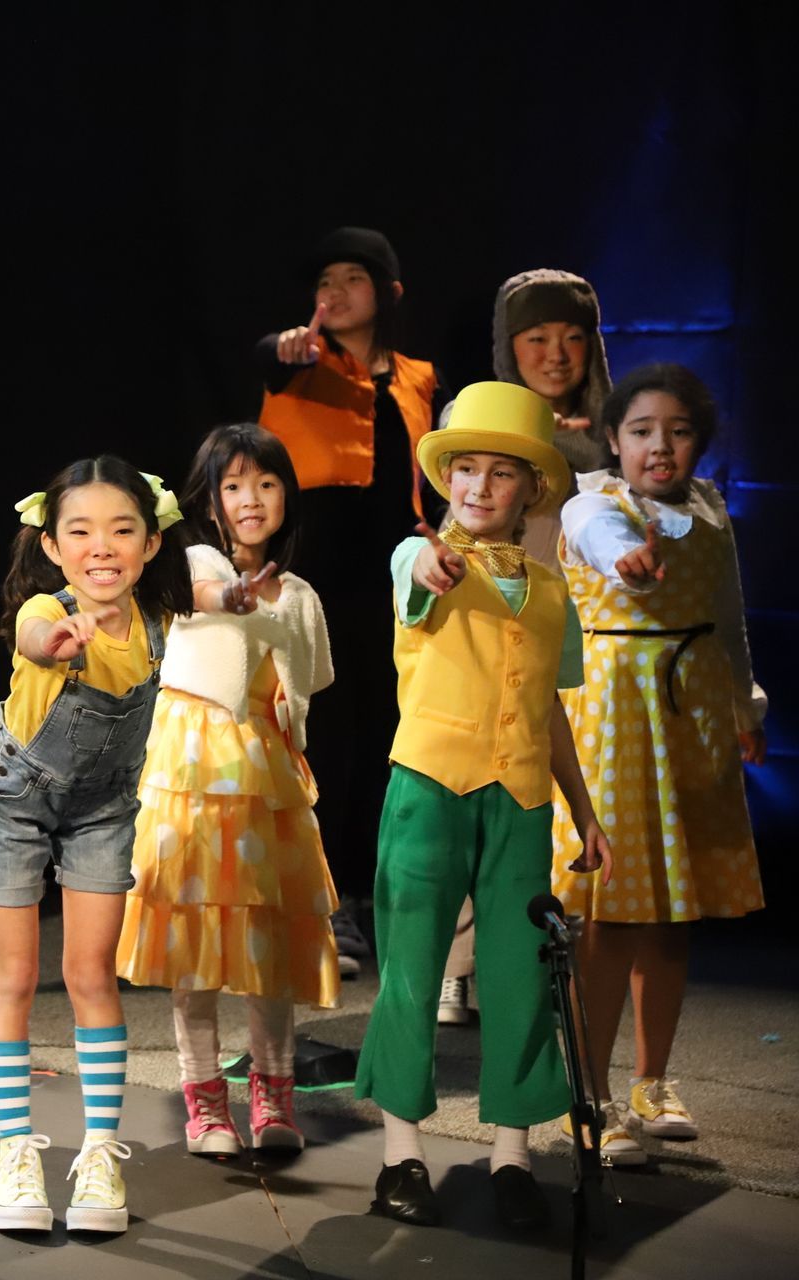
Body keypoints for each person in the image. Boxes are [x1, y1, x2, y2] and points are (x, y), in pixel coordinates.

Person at [354, 381, 611, 1233]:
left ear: (530, 489)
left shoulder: (549, 591)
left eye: (501, 474)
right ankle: (401, 1154)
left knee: (516, 977)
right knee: (413, 969)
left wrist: (586, 813)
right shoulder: (417, 556)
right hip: (428, 784)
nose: (479, 486)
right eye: (465, 469)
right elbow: (416, 574)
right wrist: (429, 560)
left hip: (522, 800)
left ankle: (512, 1155)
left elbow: (550, 712)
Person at [0, 456, 191, 1236]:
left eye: (123, 530)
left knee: (91, 973)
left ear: (151, 543)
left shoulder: (161, 630)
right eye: (82, 531)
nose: (103, 546)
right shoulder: (44, 608)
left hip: (103, 811)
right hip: (14, 803)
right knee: (16, 974)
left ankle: (100, 1155)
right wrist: (57, 640)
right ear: (55, 546)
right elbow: (34, 637)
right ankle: (16, 1154)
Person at [552, 364, 763, 1165]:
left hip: (691, 708)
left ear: (699, 443)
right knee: (614, 915)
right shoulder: (594, 505)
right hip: (618, 713)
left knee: (672, 914)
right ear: (613, 439)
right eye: (641, 431)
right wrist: (626, 563)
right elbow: (608, 547)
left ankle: (652, 1082)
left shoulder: (710, 514)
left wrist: (744, 704)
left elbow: (730, 616)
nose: (659, 446)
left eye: (676, 431)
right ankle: (592, 1098)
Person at [117, 424, 338, 1157]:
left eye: (266, 484)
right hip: (193, 774)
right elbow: (206, 592)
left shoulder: (300, 593)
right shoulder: (190, 560)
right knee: (197, 944)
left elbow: (307, 680)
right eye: (234, 486)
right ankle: (205, 1100)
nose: (251, 499)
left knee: (264, 940)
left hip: (264, 777)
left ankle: (273, 1096)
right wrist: (238, 598)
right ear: (210, 501)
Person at [256, 226, 441, 977]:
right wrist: (287, 348)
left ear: (388, 294)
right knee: (315, 733)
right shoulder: (298, 360)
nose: (332, 294)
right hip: (313, 569)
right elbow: (267, 355)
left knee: (383, 736)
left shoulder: (420, 376)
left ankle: (362, 897)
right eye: (323, 281)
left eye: (351, 280)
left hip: (391, 575)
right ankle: (315, 898)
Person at [439, 268, 617, 1027]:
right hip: (489, 617)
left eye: (573, 337)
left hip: (586, 628)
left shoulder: (619, 423)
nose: (555, 353)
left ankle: (545, 960)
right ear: (509, 346)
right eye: (537, 338)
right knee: (474, 786)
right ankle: (456, 967)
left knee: (548, 794)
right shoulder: (481, 416)